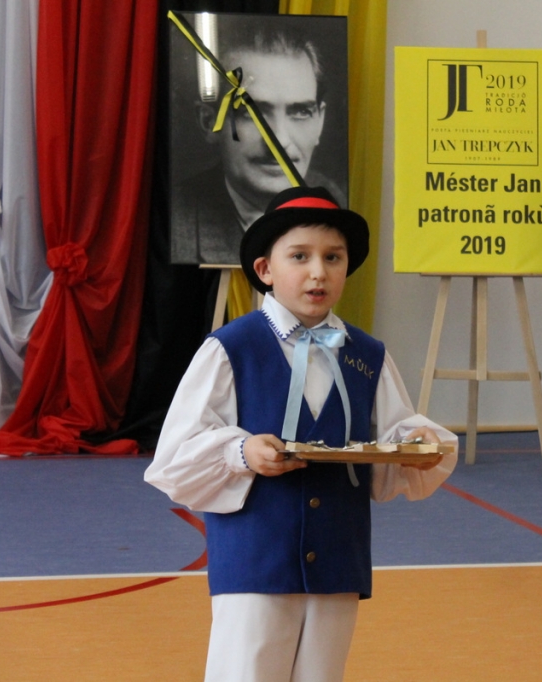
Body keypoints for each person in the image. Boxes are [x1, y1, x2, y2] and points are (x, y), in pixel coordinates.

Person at [146, 185, 458, 682]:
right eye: (300, 256)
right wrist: (241, 451)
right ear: (265, 269)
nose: (319, 271)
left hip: (337, 559)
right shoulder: (231, 348)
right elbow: (176, 455)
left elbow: (395, 426)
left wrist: (417, 444)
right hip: (256, 562)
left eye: (333, 257)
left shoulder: (367, 354)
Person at [170, 20, 346, 265]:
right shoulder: (174, 228)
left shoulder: (334, 200)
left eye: (300, 112)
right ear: (209, 123)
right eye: (251, 113)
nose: (279, 141)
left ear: (319, 121)